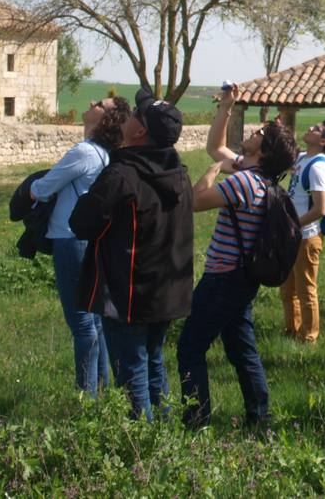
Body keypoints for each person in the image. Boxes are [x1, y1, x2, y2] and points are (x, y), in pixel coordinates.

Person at [69, 88, 194, 420]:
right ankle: (164, 438)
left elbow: (81, 223)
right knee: (153, 363)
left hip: (127, 293)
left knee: (131, 375)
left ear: (140, 131)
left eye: (135, 115)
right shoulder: (179, 174)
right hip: (165, 291)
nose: (128, 118)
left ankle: (142, 450)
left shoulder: (122, 175)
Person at [177, 106, 297, 427]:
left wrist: (212, 171)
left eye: (259, 133)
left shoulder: (243, 181)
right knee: (242, 350)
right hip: (243, 279)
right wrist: (226, 108)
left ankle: (196, 421)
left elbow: (194, 202)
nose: (253, 132)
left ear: (264, 149)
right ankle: (259, 419)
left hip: (222, 279)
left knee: (190, 347)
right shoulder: (264, 182)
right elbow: (216, 144)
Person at [29, 96, 129, 397]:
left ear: (106, 118)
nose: (91, 102)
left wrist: (30, 189)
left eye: (99, 102)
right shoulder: (108, 154)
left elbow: (43, 189)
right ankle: (101, 387)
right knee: (95, 318)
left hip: (70, 238)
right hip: (93, 237)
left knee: (81, 321)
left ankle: (85, 396)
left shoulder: (84, 152)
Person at [280, 120, 325, 343]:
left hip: (306, 236)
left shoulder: (319, 167)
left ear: (324, 141)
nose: (310, 128)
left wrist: (294, 225)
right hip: (291, 234)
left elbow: (319, 208)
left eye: (316, 129)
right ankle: (292, 330)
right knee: (287, 289)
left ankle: (309, 337)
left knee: (306, 290)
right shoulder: (303, 158)